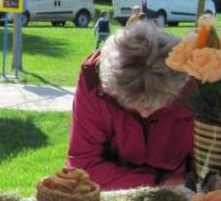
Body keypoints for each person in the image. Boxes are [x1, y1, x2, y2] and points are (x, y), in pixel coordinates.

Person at [66, 20, 193, 190]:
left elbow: (212, 165)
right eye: (132, 104)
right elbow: (83, 167)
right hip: (113, 193)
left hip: (185, 190)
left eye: (158, 104)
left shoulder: (201, 80)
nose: (145, 114)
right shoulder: (93, 80)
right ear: (110, 89)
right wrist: (160, 182)